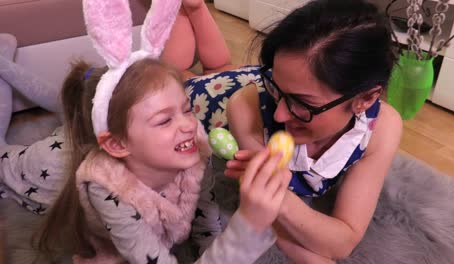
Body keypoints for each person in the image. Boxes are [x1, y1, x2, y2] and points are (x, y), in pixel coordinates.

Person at [35, 0, 291, 263]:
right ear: (117, 145)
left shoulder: (195, 155)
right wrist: (247, 227)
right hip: (42, 171)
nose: (189, 125)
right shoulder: (108, 191)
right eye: (164, 121)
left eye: (187, 109)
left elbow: (207, 227)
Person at [218, 0, 402, 263]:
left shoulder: (380, 129)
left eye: (303, 104)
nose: (280, 114)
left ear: (366, 99)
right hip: (216, 96)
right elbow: (265, 215)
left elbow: (343, 241)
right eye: (276, 87)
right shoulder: (248, 111)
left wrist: (276, 196)